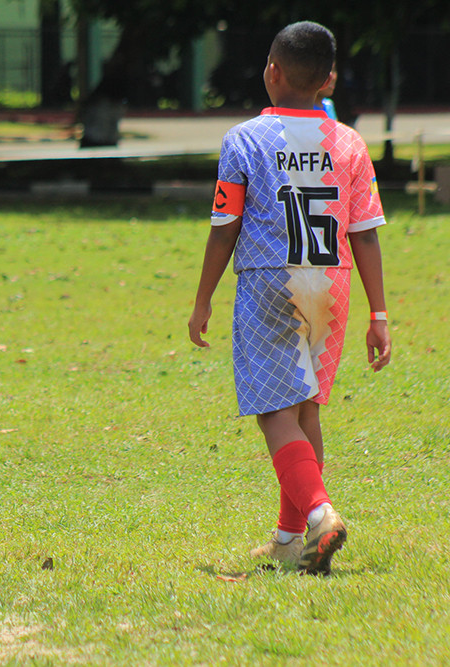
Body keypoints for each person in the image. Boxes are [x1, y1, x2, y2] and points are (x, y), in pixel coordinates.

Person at [188, 21, 391, 574]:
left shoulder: (245, 139)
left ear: (271, 72)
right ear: (329, 79)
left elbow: (225, 226)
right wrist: (379, 313)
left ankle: (322, 515)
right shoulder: (349, 142)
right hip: (333, 284)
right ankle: (288, 538)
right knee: (305, 410)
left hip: (269, 284)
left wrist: (203, 297)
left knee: (274, 413)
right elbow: (365, 230)